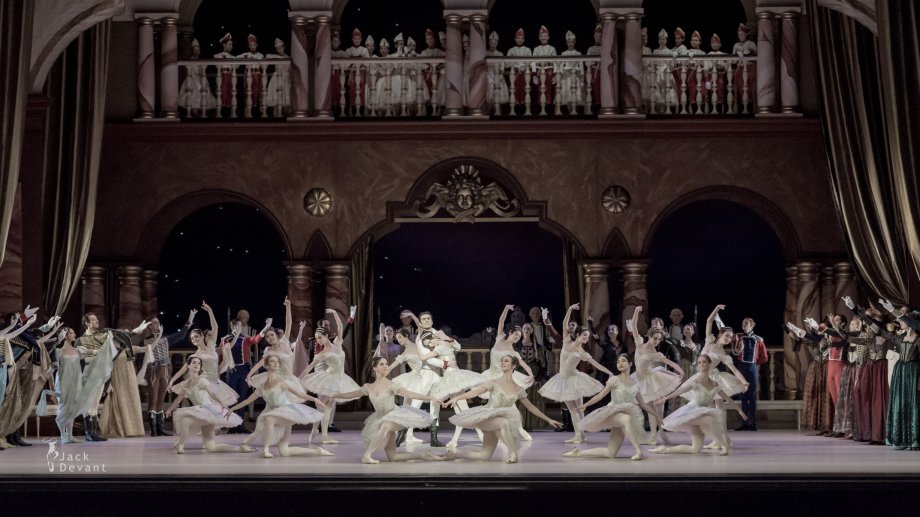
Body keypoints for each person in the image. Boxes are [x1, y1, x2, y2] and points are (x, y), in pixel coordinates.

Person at [446, 355, 563, 463]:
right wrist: (458, 397)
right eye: (501, 361)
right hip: (488, 417)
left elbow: (530, 406)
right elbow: (475, 392)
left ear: (513, 366)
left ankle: (455, 454)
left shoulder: (518, 389)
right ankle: (513, 454)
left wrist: (548, 419)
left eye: (506, 361)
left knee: (485, 455)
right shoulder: (493, 382)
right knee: (503, 422)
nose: (502, 362)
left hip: (499, 422)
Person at [331, 356, 445, 464]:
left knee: (385, 425)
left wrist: (430, 397)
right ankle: (423, 455)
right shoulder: (368, 387)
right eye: (382, 364)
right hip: (380, 416)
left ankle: (367, 455)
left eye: (386, 364)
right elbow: (352, 394)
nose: (386, 366)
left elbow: (410, 394)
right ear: (375, 368)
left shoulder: (392, 385)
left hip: (394, 415)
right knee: (393, 457)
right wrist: (334, 395)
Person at [229, 355, 331, 458]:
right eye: (272, 361)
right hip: (277, 414)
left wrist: (315, 399)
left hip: (288, 412)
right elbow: (247, 401)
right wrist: (233, 409)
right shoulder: (262, 386)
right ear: (266, 365)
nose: (276, 363)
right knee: (284, 451)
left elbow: (300, 394)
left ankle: (266, 450)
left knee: (269, 419)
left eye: (277, 361)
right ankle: (317, 451)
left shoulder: (282, 382)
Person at [539, 303, 614, 444]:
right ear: (578, 334)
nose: (587, 337)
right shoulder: (567, 340)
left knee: (578, 410)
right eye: (585, 335)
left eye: (588, 336)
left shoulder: (582, 352)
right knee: (574, 410)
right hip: (563, 379)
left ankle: (580, 435)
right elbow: (564, 323)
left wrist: (609, 372)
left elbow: (596, 364)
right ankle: (579, 435)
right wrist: (570, 309)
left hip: (575, 379)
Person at [565, 354, 659, 460]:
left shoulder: (635, 384)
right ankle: (638, 451)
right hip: (613, 412)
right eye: (618, 362)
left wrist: (657, 415)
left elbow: (643, 404)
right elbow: (600, 395)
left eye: (623, 361)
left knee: (610, 452)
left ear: (630, 364)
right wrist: (586, 405)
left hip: (626, 414)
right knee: (626, 419)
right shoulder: (614, 380)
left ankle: (578, 453)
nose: (620, 363)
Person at [650, 354, 748, 456]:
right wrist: (664, 399)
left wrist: (739, 409)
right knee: (710, 419)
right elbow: (679, 391)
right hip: (691, 411)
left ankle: (663, 450)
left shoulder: (715, 384)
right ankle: (724, 446)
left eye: (704, 362)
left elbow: (726, 398)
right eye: (699, 362)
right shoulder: (696, 381)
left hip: (702, 412)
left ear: (709, 364)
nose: (701, 364)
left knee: (695, 449)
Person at [299, 308, 361, 444]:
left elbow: (340, 326)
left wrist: (334, 313)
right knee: (323, 407)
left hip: (340, 379)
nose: (318, 341)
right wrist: (299, 379)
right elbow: (309, 366)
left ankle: (317, 432)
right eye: (316, 339)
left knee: (326, 407)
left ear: (327, 336)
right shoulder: (323, 353)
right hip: (329, 379)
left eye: (320, 337)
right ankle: (323, 435)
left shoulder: (338, 343)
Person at [165, 356, 242, 454]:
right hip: (199, 411)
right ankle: (239, 449)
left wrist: (223, 403)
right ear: (188, 366)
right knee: (211, 447)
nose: (197, 364)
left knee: (185, 421)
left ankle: (181, 444)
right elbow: (178, 399)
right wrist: (170, 409)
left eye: (198, 363)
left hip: (207, 410)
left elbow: (212, 394)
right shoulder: (186, 384)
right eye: (194, 362)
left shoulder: (202, 380)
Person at [53, 325, 117, 444]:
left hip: (76, 382)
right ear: (65, 336)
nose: (74, 335)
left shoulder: (78, 350)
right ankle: (63, 436)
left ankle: (70, 436)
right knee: (63, 408)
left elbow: (95, 352)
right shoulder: (58, 351)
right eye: (71, 333)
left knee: (72, 409)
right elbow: (53, 367)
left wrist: (108, 342)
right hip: (63, 382)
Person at [142, 310, 194, 436]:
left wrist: (189, 320)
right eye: (155, 323)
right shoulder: (146, 340)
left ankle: (160, 429)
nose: (157, 325)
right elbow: (151, 348)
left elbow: (181, 335)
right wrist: (159, 336)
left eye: (158, 323)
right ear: (149, 326)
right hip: (153, 370)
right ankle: (154, 430)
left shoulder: (165, 340)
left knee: (161, 399)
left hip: (164, 370)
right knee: (153, 399)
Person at [878, 299, 920, 450]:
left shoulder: (918, 338)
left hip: (913, 371)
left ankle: (914, 438)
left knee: (913, 404)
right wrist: (857, 311)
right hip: (900, 372)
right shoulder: (900, 337)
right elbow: (879, 331)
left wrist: (892, 310)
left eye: (903, 319)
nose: (899, 321)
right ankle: (901, 438)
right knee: (899, 404)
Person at [732, 317, 768, 431]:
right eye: (743, 323)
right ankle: (744, 423)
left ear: (752, 326)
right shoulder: (738, 337)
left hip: (752, 367)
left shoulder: (758, 339)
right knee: (743, 396)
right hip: (741, 367)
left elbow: (765, 357)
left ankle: (752, 423)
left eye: (746, 323)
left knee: (752, 396)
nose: (744, 325)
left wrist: (755, 363)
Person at [516, 323, 549, 431]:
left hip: (533, 373)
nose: (526, 330)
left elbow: (543, 364)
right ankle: (519, 423)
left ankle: (529, 424)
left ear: (531, 331)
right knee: (519, 397)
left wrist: (538, 378)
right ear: (522, 330)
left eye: (528, 328)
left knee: (531, 398)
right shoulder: (517, 345)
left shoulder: (537, 346)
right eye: (524, 328)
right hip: (520, 373)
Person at [507, 28, 532, 108]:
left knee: (525, 88)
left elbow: (531, 62)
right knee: (514, 88)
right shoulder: (511, 50)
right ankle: (516, 103)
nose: (520, 40)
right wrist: (515, 67)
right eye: (518, 38)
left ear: (524, 39)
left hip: (525, 73)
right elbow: (507, 64)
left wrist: (524, 67)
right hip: (514, 72)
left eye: (521, 38)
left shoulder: (528, 50)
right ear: (515, 39)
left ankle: (525, 103)